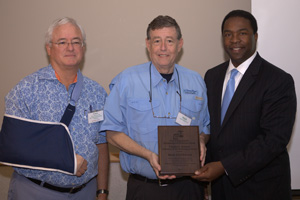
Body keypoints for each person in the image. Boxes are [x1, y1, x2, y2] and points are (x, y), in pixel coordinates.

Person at [100, 15, 210, 200]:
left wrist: (200, 140)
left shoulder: (196, 81)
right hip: (145, 189)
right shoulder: (126, 80)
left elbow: (205, 127)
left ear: (180, 44)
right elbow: (111, 132)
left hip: (189, 189)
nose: (163, 48)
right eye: (157, 41)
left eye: (169, 41)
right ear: (148, 44)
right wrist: (148, 155)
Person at [192, 10, 297, 200]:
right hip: (221, 189)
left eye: (242, 33)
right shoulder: (212, 76)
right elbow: (211, 127)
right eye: (228, 34)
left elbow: (273, 140)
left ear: (255, 36)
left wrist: (224, 166)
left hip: (262, 189)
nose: (234, 40)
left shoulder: (278, 80)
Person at [3, 17, 109, 200]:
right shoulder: (26, 90)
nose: (70, 47)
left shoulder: (97, 93)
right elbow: (13, 148)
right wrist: (68, 161)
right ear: (49, 48)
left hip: (85, 192)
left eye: (76, 42)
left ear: (83, 48)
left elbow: (101, 145)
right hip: (36, 191)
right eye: (62, 42)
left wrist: (102, 192)